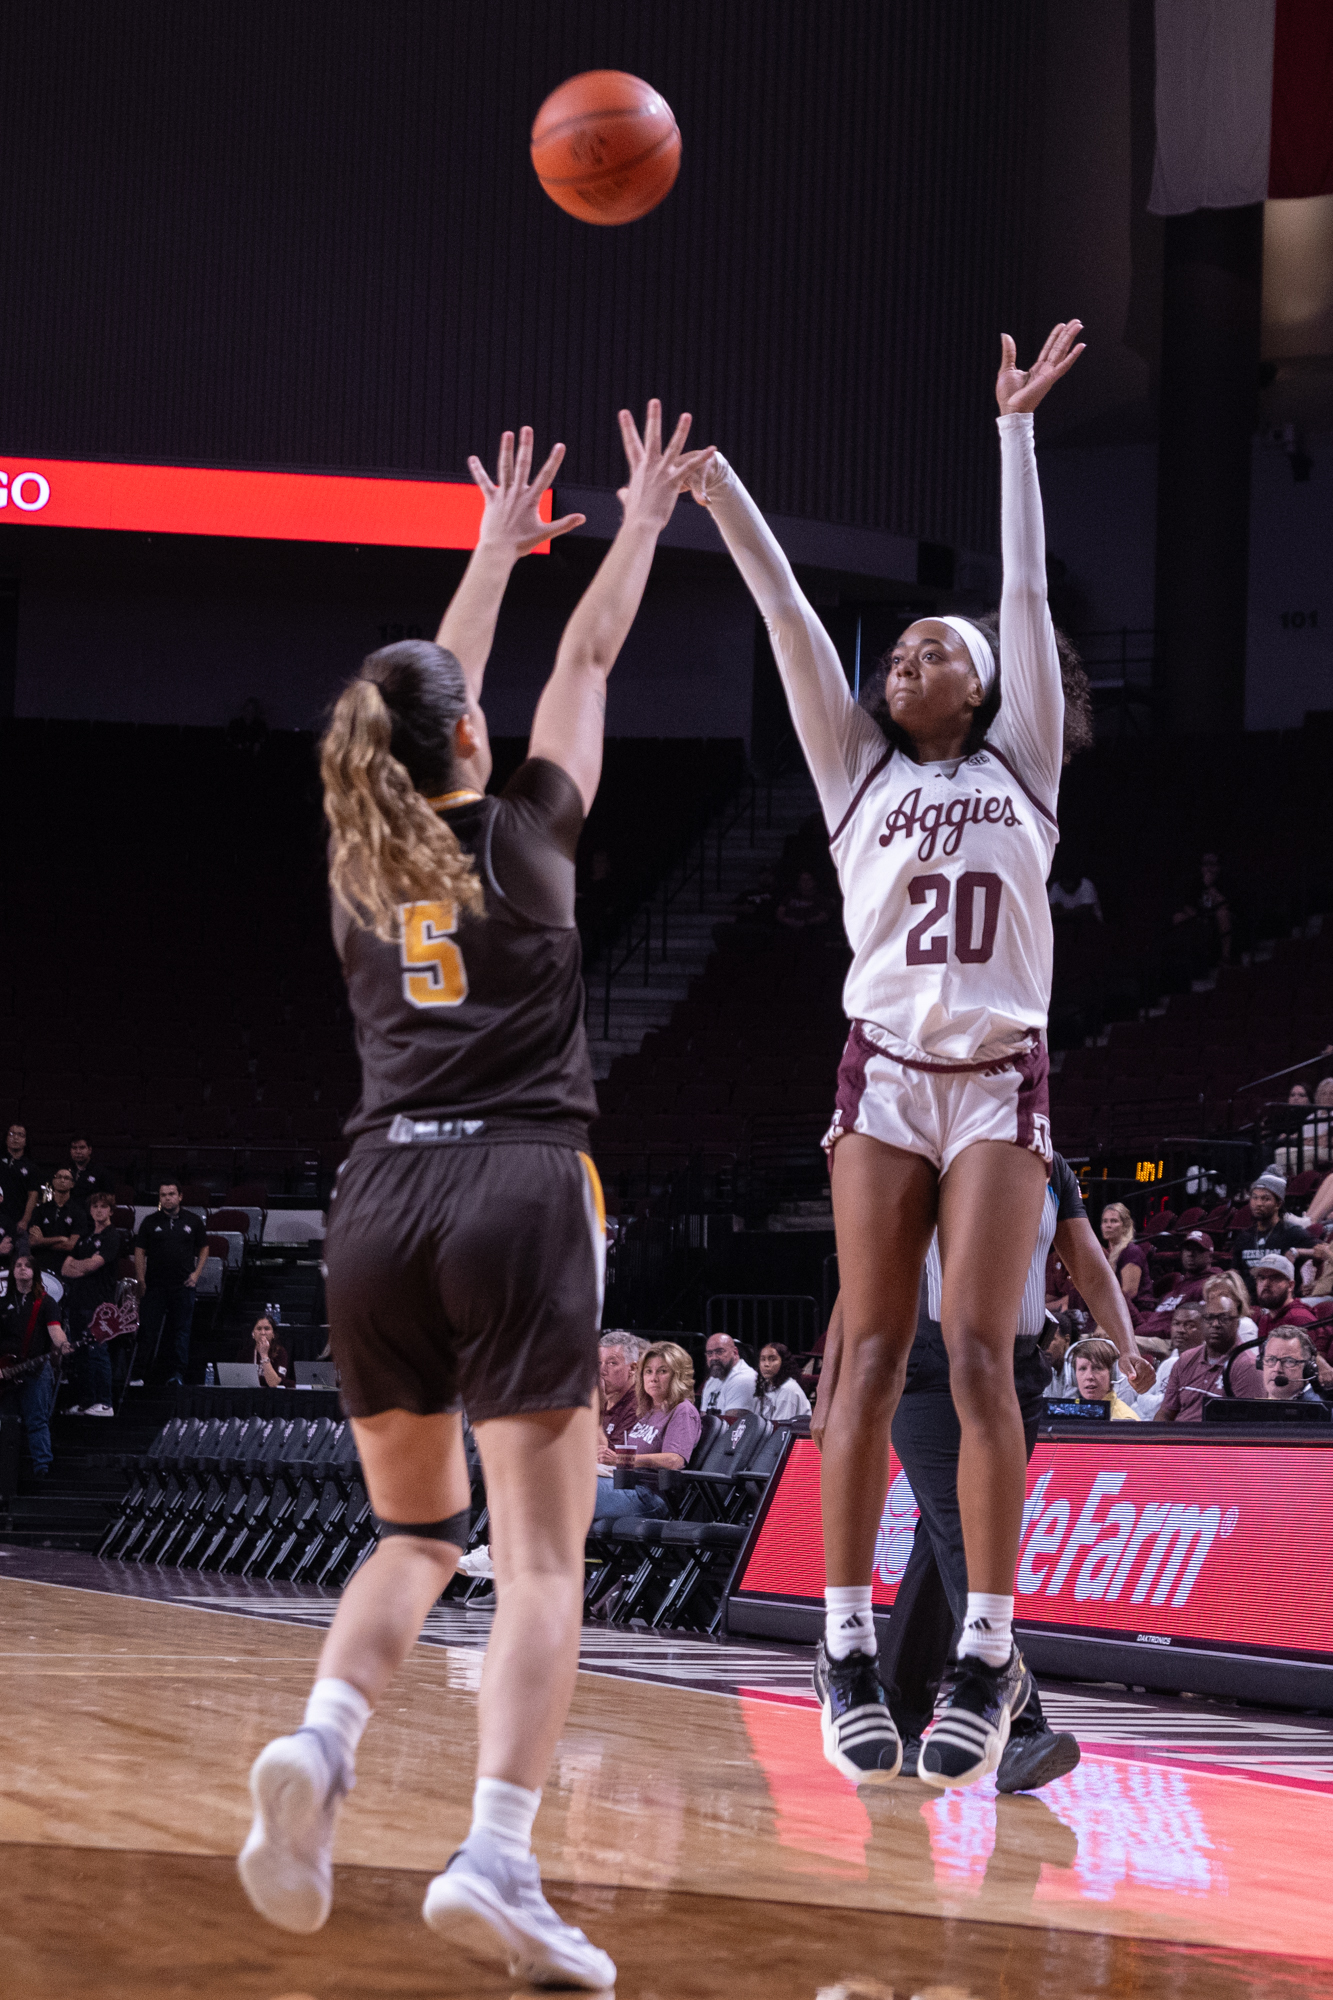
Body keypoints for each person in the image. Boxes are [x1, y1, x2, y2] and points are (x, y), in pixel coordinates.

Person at [237, 408, 713, 1991]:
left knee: (413, 1532)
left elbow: (432, 700)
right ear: (471, 745)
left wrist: (481, 556)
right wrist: (635, 518)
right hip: (516, 1182)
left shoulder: (356, 863)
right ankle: (499, 1856)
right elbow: (586, 657)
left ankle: (321, 1741)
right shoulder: (531, 835)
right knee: (543, 1560)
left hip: (375, 1201)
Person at [692, 320, 1092, 1787]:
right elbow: (795, 617)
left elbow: (1029, 591)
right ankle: (845, 1645)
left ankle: (988, 1651)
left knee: (980, 1357)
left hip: (997, 1079)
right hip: (884, 1079)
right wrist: (722, 488)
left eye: (944, 646)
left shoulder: (1023, 765)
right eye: (906, 644)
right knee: (863, 1351)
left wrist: (1013, 431)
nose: (913, 650)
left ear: (982, 691)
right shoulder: (853, 772)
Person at [816, 1149, 1150, 1793]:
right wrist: (830, 1390)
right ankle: (1023, 1726)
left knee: (939, 1545)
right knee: (964, 1535)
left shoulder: (1051, 1167)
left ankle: (901, 1713)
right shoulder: (922, 1155)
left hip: (1013, 1370)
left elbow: (1087, 1263)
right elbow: (863, 1282)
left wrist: (1127, 1343)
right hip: (923, 1366)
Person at [591, 1342, 703, 1522]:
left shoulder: (683, 1410)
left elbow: (674, 1460)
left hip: (651, 1497)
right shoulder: (648, 1412)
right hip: (625, 1486)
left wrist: (621, 1459)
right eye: (648, 1371)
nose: (653, 1378)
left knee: (574, 1491)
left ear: (678, 1375)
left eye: (662, 1371)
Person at [0, 1249, 71, 1476]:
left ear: (34, 1272)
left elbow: (55, 1331)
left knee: (37, 1419)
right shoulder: (2, 1303)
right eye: (18, 1265)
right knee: (6, 1420)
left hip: (36, 1368)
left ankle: (42, 1466)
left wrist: (63, 1345)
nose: (22, 1268)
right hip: (5, 1369)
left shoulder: (46, 1302)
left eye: (26, 1265)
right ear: (12, 1271)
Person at [134, 1180, 209, 1384]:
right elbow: (139, 1252)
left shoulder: (193, 1221)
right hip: (154, 1285)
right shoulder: (149, 1221)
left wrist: (196, 1274)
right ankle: (140, 1374)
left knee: (181, 1331)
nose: (167, 1198)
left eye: (171, 1194)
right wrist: (140, 1279)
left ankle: (177, 1374)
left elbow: (204, 1248)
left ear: (180, 1196)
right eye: (163, 1195)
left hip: (183, 1285)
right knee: (147, 1329)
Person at [61, 1190, 125, 1416]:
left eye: (103, 1207)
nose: (99, 1210)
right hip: (78, 1301)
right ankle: (87, 1401)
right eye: (95, 1206)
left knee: (98, 1351)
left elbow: (92, 1265)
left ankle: (105, 1402)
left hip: (100, 1305)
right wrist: (83, 1266)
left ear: (111, 1210)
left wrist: (82, 1266)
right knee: (80, 1353)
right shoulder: (86, 1236)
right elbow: (65, 1267)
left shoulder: (111, 1236)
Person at [1156, 1287, 1260, 1420]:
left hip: (1217, 1439)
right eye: (1209, 1318)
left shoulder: (1247, 1366)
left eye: (1224, 1318)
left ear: (1237, 1323)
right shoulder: (1185, 1359)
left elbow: (1245, 1428)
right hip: (1179, 1437)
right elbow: (1166, 1413)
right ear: (1202, 1322)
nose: (1215, 1324)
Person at [1133, 1230, 1214, 1343]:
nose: (1190, 1254)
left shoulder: (1209, 1286)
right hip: (1145, 1337)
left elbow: (1194, 1328)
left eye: (1198, 1250)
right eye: (1187, 1249)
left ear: (1210, 1256)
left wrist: (1148, 1331)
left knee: (1116, 1345)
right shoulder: (1180, 1285)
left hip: (1169, 1342)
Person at [1134, 1301, 1207, 1421]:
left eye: (1189, 1325)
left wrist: (1151, 1401)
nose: (1181, 1330)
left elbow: (1169, 1405)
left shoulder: (1205, 1364)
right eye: (1176, 1323)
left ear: (1204, 1330)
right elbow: (1142, 1397)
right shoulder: (1168, 1363)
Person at [1233, 1172, 1313, 1274]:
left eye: (1265, 1199)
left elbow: (1325, 1250)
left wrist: (1297, 1251)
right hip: (1246, 1289)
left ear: (1278, 1204)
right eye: (1254, 1197)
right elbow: (1235, 1270)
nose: (1258, 1204)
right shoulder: (1244, 1236)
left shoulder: (1292, 1232)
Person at [28, 1168, 88, 1275]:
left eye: (66, 1178)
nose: (62, 1180)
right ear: (53, 1181)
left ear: (72, 1184)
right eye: (59, 1177)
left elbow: (70, 1245)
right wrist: (60, 1238)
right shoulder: (40, 1210)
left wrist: (42, 1241)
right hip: (41, 1264)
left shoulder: (79, 1213)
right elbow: (32, 1241)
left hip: (65, 1266)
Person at [594, 1331, 644, 1456]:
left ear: (633, 1368)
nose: (602, 1371)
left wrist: (597, 1412)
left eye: (612, 1363)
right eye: (599, 1363)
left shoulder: (639, 1405)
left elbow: (607, 1457)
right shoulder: (600, 1396)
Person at [1098, 1202, 1153, 1311]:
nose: (1108, 1225)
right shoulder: (1106, 1253)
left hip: (1135, 1310)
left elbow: (1129, 1292)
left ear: (1125, 1226)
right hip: (1114, 1308)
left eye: (1114, 1221)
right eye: (1105, 1221)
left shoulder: (1131, 1252)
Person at [1068, 1337, 1141, 1419]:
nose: (1089, 1377)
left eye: (1098, 1368)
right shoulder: (1073, 1413)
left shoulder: (1124, 1420)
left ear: (1113, 1373)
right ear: (1073, 1376)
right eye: (1082, 1369)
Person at [1259, 1328, 1324, 1405]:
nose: (1277, 1369)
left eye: (1289, 1361)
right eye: (1271, 1359)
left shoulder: (1320, 1414)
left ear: (1308, 1370)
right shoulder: (1255, 1410)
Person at [699, 1332, 758, 1416]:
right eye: (710, 1353)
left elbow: (733, 1424)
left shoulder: (744, 1379)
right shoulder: (712, 1381)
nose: (714, 1358)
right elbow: (703, 1420)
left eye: (719, 1352)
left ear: (735, 1352)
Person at [754, 1342, 813, 1424]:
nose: (766, 1364)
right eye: (763, 1359)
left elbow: (780, 1426)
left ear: (783, 1363)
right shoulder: (765, 1385)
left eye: (772, 1359)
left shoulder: (788, 1389)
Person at [0, 1122, 40, 1235]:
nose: (15, 1138)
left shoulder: (31, 1167)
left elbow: (33, 1195)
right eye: (11, 1134)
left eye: (20, 1135)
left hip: (17, 1218)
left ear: (26, 1140)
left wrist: (25, 1220)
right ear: (6, 1138)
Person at [245, 1312, 291, 1388]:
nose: (263, 1333)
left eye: (267, 1329)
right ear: (253, 1333)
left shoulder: (280, 1352)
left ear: (273, 1334)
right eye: (259, 1329)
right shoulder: (246, 1352)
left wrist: (264, 1355)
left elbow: (274, 1383)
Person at [69, 1137, 116, 1209]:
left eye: (82, 1148)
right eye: (74, 1148)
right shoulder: (65, 1171)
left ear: (89, 1150)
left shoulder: (101, 1172)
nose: (78, 1151)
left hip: (91, 1216)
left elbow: (110, 1199)